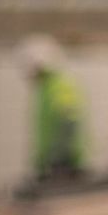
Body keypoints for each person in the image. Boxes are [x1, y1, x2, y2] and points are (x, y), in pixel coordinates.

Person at [17, 33, 89, 183]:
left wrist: (59, 158)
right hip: (50, 163)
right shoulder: (46, 88)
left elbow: (69, 121)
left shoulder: (60, 85)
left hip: (66, 165)